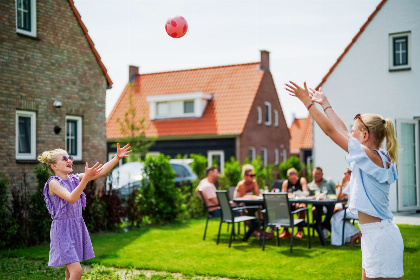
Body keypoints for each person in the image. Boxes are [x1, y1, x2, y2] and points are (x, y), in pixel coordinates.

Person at [286, 81, 403, 279]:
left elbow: (331, 131)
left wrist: (308, 104)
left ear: (365, 136)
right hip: (375, 235)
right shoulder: (375, 155)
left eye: (354, 131)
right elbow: (340, 129)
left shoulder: (369, 155)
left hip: (380, 236)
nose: (350, 134)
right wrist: (325, 103)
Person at [38, 143, 131, 280]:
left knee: (70, 272)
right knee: (77, 271)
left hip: (76, 227)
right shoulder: (53, 183)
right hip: (62, 231)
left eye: (69, 157)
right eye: (64, 158)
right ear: (54, 166)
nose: (69, 160)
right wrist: (86, 179)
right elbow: (71, 198)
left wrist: (117, 157)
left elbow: (101, 171)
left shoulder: (74, 179)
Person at [331, 168, 361, 246]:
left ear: (348, 174)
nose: (344, 176)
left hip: (355, 210)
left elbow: (339, 197)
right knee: (339, 217)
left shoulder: (351, 183)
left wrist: (341, 183)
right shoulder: (355, 182)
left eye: (345, 174)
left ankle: (339, 242)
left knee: (335, 217)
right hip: (359, 209)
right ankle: (353, 235)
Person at [279, 168, 309, 239]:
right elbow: (283, 195)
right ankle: (286, 231)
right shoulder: (286, 182)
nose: (293, 180)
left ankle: (299, 231)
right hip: (289, 203)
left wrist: (296, 198)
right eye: (291, 179)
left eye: (294, 178)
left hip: (299, 202)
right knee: (282, 206)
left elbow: (306, 193)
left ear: (297, 175)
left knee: (302, 206)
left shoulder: (302, 180)